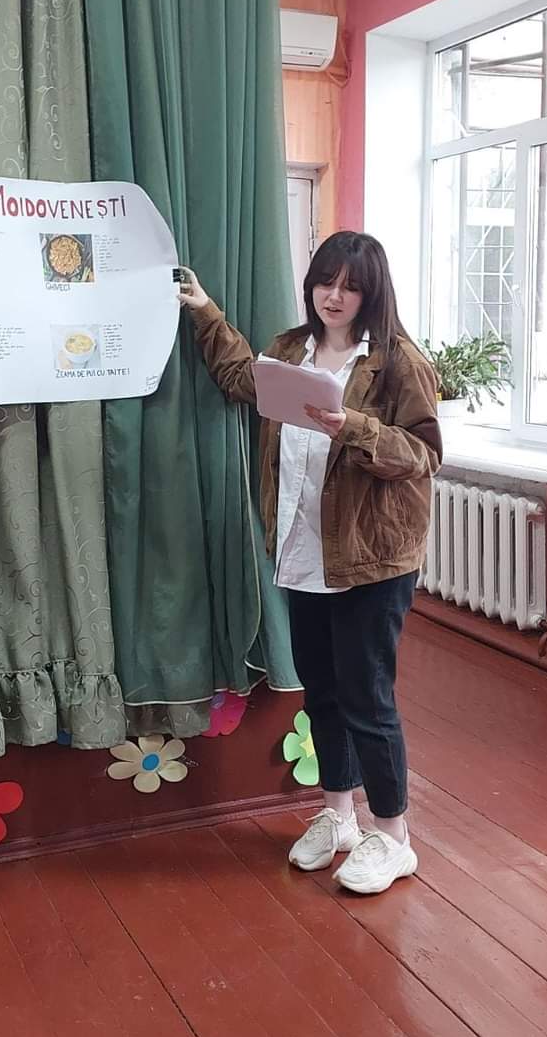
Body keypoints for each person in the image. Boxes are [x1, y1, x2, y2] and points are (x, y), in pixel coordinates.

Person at [179, 231, 441, 894]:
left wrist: (351, 426)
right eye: (326, 281)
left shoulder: (397, 362)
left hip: (372, 562)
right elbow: (243, 379)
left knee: (367, 697)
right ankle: (338, 816)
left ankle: (394, 837)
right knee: (320, 691)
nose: (335, 295)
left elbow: (424, 455)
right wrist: (204, 310)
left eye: (351, 286)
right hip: (303, 551)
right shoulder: (291, 348)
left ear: (371, 292)